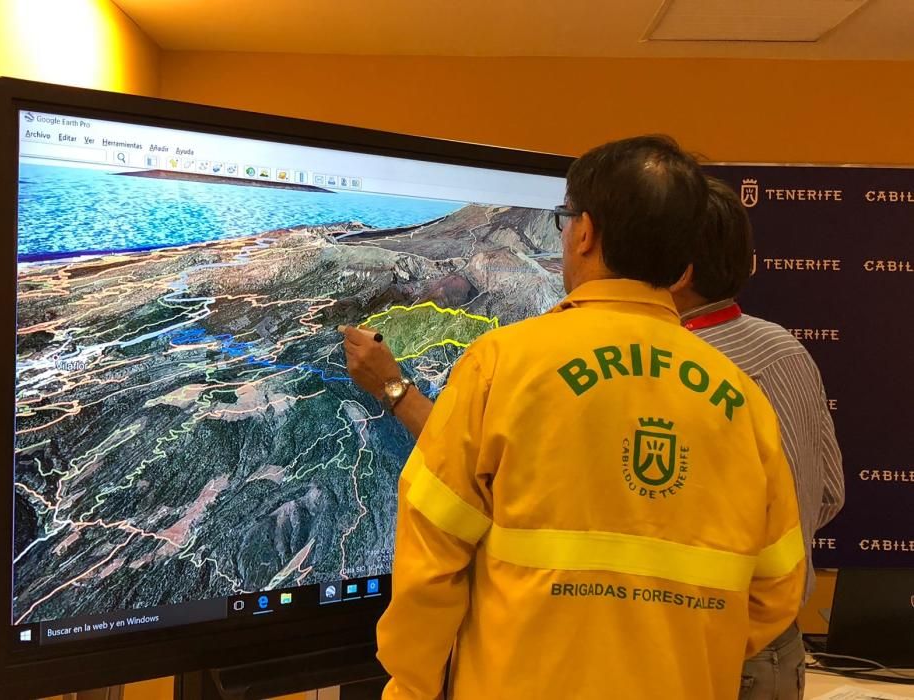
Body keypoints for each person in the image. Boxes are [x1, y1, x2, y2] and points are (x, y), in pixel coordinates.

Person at [342, 136, 805, 699]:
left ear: (584, 231)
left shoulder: (502, 365)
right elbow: (777, 588)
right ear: (684, 259)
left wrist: (411, 686)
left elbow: (430, 561)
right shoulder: (741, 399)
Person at [672, 177, 845, 700]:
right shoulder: (786, 348)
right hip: (780, 648)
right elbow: (830, 494)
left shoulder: (670, 368)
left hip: (712, 648)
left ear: (676, 271)